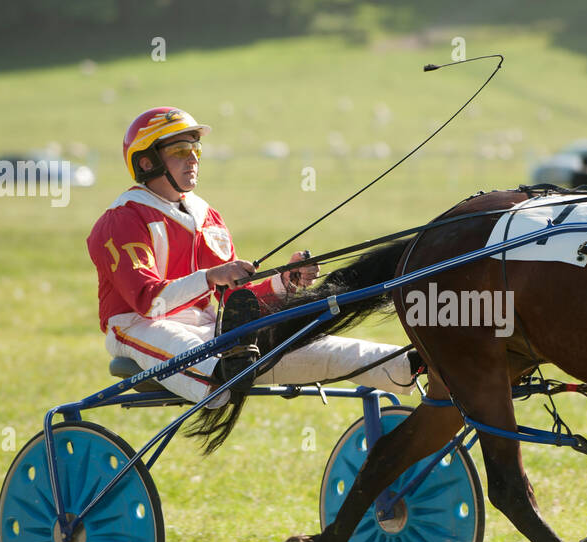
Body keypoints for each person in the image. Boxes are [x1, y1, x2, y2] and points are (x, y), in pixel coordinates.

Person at [86, 106, 417, 409]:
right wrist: (211, 277)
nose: (193, 159)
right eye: (180, 150)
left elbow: (232, 301)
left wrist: (282, 282)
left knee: (318, 344)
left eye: (196, 149)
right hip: (138, 327)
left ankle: (407, 363)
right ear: (147, 162)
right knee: (190, 349)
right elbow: (148, 302)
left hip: (207, 327)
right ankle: (225, 375)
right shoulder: (122, 219)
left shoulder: (206, 216)